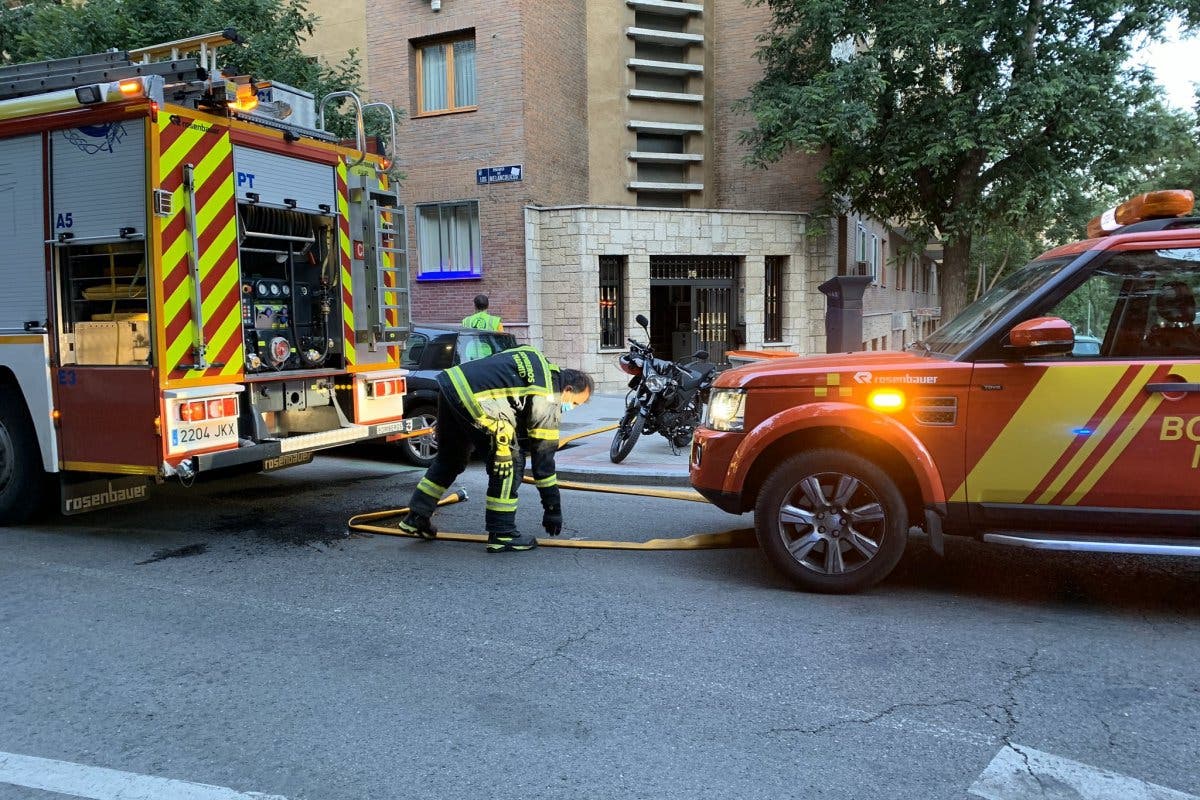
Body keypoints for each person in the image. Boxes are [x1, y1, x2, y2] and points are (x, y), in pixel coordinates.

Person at [398, 346, 594, 552]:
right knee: (509, 463)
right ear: (568, 389)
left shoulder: (533, 355)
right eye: (573, 403)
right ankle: (502, 533)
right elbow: (543, 458)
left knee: (450, 459)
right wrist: (552, 508)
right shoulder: (547, 396)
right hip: (477, 401)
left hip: (451, 385)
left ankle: (416, 516)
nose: (569, 408)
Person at [1145, 280, 1200, 356]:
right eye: (1187, 300)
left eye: (1190, 300)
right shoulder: (1163, 340)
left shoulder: (1155, 337)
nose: (1193, 305)